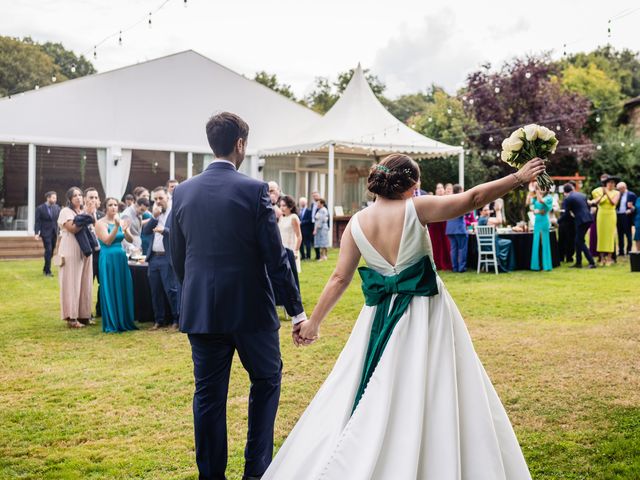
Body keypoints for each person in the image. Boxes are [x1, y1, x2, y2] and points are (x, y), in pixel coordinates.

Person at [262, 154, 545, 480]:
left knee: (374, 384)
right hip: (426, 312)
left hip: (377, 317)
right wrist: (519, 178)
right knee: (433, 382)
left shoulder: (356, 223)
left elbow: (339, 278)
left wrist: (314, 322)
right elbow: (474, 198)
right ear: (410, 183)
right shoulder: (417, 209)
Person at [170, 112, 305, 480]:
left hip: (202, 312)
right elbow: (275, 257)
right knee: (267, 380)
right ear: (240, 144)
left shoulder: (182, 191)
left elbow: (177, 255)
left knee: (209, 397)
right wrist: (296, 311)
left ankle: (211, 476)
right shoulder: (254, 190)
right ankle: (255, 471)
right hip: (250, 311)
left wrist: (194, 291)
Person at [95, 198, 138, 333]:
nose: (114, 207)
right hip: (108, 258)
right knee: (110, 286)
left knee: (122, 286)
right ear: (105, 207)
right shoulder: (100, 223)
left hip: (120, 257)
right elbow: (107, 241)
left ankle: (124, 320)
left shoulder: (120, 220)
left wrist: (125, 230)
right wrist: (116, 226)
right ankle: (113, 321)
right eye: (110, 205)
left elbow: (130, 239)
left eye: (115, 205)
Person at [143, 186, 180, 330]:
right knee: (155, 290)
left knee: (171, 290)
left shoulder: (174, 213)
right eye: (155, 199)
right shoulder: (155, 214)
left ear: (168, 198)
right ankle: (159, 319)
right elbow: (146, 232)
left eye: (160, 198)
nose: (158, 202)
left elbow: (178, 233)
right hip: (153, 258)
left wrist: (164, 230)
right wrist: (154, 218)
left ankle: (176, 319)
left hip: (167, 257)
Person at [57, 187, 94, 329]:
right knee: (72, 282)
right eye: (75, 195)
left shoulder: (82, 212)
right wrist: (87, 215)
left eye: (80, 195)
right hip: (71, 248)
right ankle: (71, 318)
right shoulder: (65, 212)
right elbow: (73, 228)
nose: (78, 197)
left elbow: (92, 224)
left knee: (85, 282)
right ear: (69, 199)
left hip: (85, 248)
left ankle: (84, 315)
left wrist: (87, 214)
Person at [560, 183, 596, 269]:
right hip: (588, 218)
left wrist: (558, 221)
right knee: (578, 241)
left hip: (581, 221)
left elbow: (566, 214)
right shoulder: (582, 195)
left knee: (580, 241)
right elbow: (587, 207)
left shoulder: (568, 198)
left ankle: (592, 262)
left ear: (565, 192)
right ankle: (578, 262)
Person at [591, 175, 620, 266]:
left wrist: (607, 193)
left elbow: (613, 203)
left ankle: (609, 258)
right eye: (609, 183)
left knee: (610, 236)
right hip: (601, 214)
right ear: (606, 184)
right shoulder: (598, 191)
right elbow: (597, 202)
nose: (611, 184)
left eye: (613, 183)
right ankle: (602, 258)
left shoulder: (616, 193)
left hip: (611, 214)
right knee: (601, 236)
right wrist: (603, 194)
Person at [84, 188, 103, 321]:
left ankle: (101, 310)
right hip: (88, 254)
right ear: (85, 199)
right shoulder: (81, 215)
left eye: (96, 197)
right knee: (87, 284)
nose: (93, 200)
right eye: (91, 197)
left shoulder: (102, 215)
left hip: (102, 254)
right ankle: (86, 312)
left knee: (103, 283)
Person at [477, 204, 513, 271]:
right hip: (490, 245)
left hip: (487, 244)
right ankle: (506, 265)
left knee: (505, 241)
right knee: (508, 242)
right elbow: (499, 221)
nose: (487, 212)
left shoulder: (482, 220)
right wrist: (498, 210)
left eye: (488, 210)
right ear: (480, 212)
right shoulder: (483, 219)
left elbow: (498, 223)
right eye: (485, 210)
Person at [528, 182, 553, 271]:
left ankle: (545, 265)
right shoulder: (536, 196)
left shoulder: (549, 198)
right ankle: (536, 265)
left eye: (543, 188)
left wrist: (537, 189)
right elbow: (528, 203)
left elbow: (541, 201)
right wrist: (531, 191)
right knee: (536, 242)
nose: (542, 189)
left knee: (544, 242)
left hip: (544, 221)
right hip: (537, 222)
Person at [34, 191, 61, 277]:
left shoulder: (57, 208)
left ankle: (45, 269)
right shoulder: (40, 208)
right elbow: (37, 221)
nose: (55, 200)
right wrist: (36, 233)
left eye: (55, 198)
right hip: (45, 233)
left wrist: (61, 231)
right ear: (48, 198)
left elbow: (59, 220)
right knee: (48, 250)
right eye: (53, 198)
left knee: (51, 250)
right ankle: (48, 271)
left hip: (54, 232)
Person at [427, 183, 452, 271]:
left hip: (445, 224)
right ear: (436, 190)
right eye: (438, 188)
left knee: (446, 244)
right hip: (435, 224)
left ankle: (447, 263)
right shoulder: (432, 199)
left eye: (441, 187)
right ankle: (436, 263)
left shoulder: (447, 199)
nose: (440, 189)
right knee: (435, 244)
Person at [445, 184, 468, 272]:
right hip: (459, 228)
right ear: (460, 190)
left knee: (453, 249)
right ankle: (461, 268)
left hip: (450, 228)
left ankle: (454, 268)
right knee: (462, 249)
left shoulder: (448, 200)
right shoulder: (460, 199)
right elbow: (465, 212)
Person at [278, 195, 303, 272]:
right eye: (280, 205)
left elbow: (299, 236)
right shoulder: (281, 218)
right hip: (282, 249)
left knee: (291, 276)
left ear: (291, 207)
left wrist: (295, 251)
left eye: (284, 205)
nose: (281, 208)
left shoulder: (294, 217)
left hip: (291, 249)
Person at [616, 181, 636, 256]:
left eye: (620, 189)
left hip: (627, 216)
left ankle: (629, 250)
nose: (619, 191)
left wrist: (630, 210)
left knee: (628, 234)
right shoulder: (618, 195)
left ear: (624, 188)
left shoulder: (631, 195)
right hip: (619, 215)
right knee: (620, 234)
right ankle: (621, 251)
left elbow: (635, 207)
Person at [558, 184, 576, 263]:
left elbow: (565, 212)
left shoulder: (566, 199)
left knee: (562, 240)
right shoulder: (573, 198)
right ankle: (569, 257)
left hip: (564, 222)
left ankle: (561, 257)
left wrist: (558, 220)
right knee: (570, 240)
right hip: (571, 222)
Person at [310, 190, 322, 260]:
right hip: (312, 223)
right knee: (314, 240)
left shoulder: (322, 203)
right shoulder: (312, 204)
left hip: (319, 224)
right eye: (313, 196)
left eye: (316, 195)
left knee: (319, 240)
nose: (315, 197)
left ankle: (320, 255)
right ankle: (317, 255)